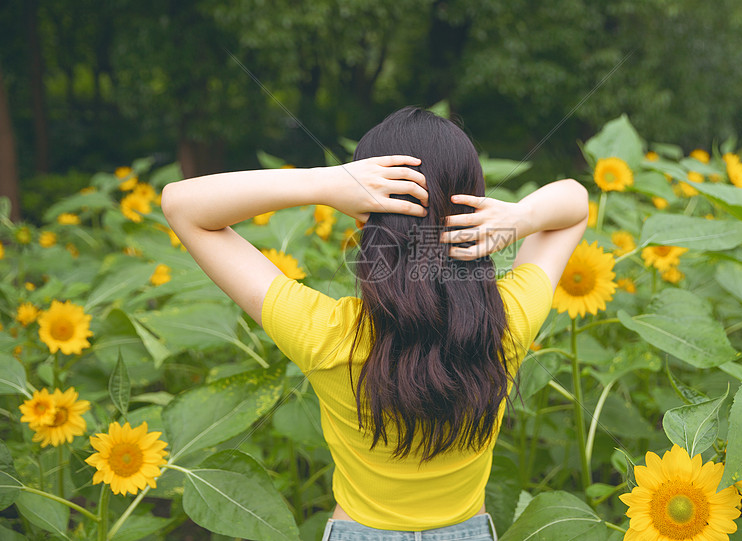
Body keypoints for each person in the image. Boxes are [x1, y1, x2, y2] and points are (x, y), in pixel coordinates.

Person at [162, 107, 589, 541]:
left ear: (360, 216)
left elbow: (181, 205)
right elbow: (574, 201)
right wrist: (521, 217)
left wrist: (325, 182)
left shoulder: (326, 334)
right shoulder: (508, 322)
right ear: (479, 208)